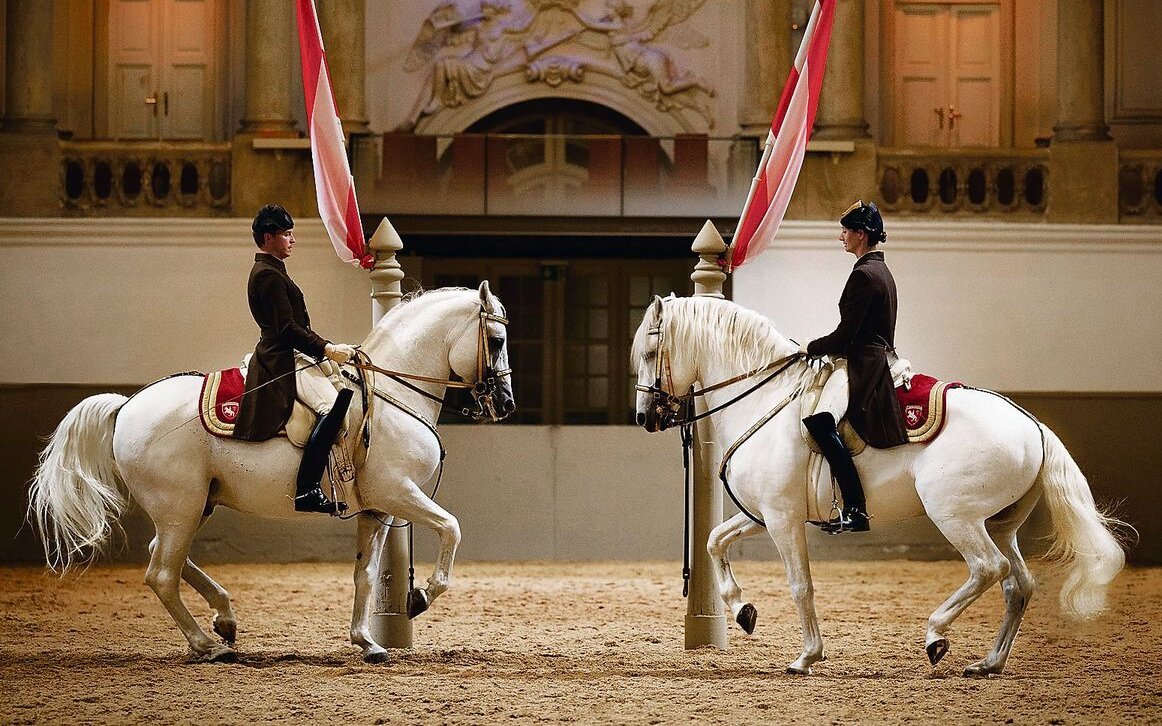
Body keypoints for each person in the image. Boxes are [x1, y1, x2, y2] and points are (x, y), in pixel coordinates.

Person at [232, 204, 359, 515]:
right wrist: (326, 348)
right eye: (286, 234)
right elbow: (287, 329)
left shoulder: (274, 271)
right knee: (332, 409)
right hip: (283, 358)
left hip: (295, 353)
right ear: (268, 237)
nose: (292, 239)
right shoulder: (268, 276)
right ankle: (308, 489)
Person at [798, 201, 908, 533]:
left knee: (820, 422)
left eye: (845, 231)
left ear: (861, 235)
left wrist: (810, 347)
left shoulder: (864, 275)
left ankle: (855, 507)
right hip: (876, 356)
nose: (841, 237)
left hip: (863, 362)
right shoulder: (882, 271)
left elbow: (847, 334)